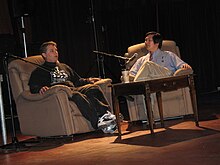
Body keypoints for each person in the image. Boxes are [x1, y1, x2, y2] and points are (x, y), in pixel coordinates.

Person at [28, 41, 116, 134]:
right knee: (77, 96)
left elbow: (77, 81)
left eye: (56, 50)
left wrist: (88, 80)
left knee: (93, 88)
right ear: (44, 55)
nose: (56, 53)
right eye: (52, 51)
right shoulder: (39, 71)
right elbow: (33, 86)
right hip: (62, 92)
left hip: (73, 88)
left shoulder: (64, 66)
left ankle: (106, 115)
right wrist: (40, 88)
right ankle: (97, 122)